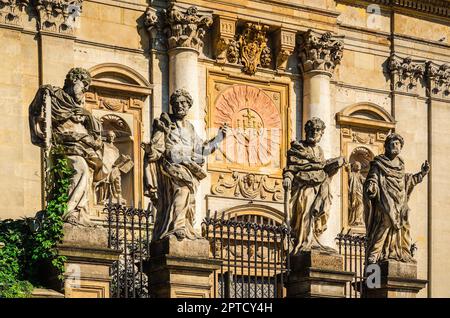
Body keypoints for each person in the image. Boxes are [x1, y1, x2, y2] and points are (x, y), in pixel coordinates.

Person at [142, 89, 229, 241]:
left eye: (183, 103)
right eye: (176, 103)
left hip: (189, 166)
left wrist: (219, 138)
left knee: (190, 198)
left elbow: (202, 149)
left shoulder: (189, 128)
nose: (179, 106)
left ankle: (186, 225)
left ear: (189, 105)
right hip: (172, 165)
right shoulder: (164, 124)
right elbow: (157, 145)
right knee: (182, 190)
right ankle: (178, 226)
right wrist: (151, 152)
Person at [29, 68, 103, 226]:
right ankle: (68, 211)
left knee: (85, 175)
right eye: (84, 84)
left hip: (82, 146)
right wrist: (38, 132)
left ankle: (78, 212)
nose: (85, 89)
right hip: (65, 144)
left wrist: (88, 116)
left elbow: (96, 133)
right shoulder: (53, 95)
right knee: (80, 169)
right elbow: (35, 112)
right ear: (74, 80)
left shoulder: (79, 107)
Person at [363, 133, 430, 264]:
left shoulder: (400, 165)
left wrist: (422, 173)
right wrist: (372, 186)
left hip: (400, 202)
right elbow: (373, 177)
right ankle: (374, 253)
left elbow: (407, 180)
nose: (395, 145)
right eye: (392, 143)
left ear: (401, 147)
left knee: (403, 225)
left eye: (397, 143)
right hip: (384, 199)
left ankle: (400, 251)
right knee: (386, 221)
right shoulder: (379, 162)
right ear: (386, 146)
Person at [283, 117, 346, 254]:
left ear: (321, 134)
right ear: (306, 131)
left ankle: (314, 240)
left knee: (319, 211)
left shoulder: (319, 151)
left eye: (317, 130)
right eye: (311, 130)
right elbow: (291, 167)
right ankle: (304, 241)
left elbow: (322, 168)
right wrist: (288, 177)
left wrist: (334, 165)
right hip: (304, 186)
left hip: (320, 185)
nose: (314, 132)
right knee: (305, 210)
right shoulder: (298, 148)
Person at [348, 161, 365, 226]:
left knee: (361, 204)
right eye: (356, 165)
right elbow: (349, 177)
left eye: (359, 165)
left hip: (360, 191)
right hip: (354, 191)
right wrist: (349, 169)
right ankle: (356, 219)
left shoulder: (360, 175)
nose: (358, 166)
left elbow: (364, 180)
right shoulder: (352, 174)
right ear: (353, 167)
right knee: (357, 205)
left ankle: (359, 219)